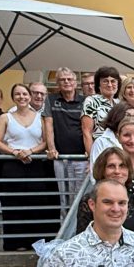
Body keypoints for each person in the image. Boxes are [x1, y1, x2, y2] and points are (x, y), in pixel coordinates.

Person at [0, 82, 57, 251]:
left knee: (37, 202)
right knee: (14, 203)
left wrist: (29, 151)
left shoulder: (39, 117)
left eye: (24, 94)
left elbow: (44, 141)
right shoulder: (5, 117)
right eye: (18, 94)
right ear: (13, 97)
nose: (22, 97)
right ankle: (16, 242)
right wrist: (14, 152)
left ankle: (36, 241)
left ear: (29, 96)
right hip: (12, 165)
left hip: (34, 163)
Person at [44, 67, 88, 213]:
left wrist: (89, 152)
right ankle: (65, 232)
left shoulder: (85, 101)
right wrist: (51, 148)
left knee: (80, 197)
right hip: (61, 157)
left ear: (76, 83)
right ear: (57, 83)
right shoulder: (51, 100)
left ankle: (78, 229)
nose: (67, 82)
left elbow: (87, 128)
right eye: (62, 79)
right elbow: (48, 126)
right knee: (64, 198)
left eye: (70, 79)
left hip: (81, 157)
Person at [76, 146, 129, 233]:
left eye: (122, 166)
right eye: (111, 166)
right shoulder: (89, 200)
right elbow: (83, 235)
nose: (117, 171)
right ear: (102, 169)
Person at [81, 66, 122, 153]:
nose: (110, 84)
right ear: (98, 85)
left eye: (113, 81)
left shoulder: (119, 104)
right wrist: (92, 156)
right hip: (100, 149)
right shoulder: (92, 101)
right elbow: (86, 132)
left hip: (119, 150)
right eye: (105, 81)